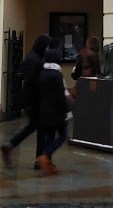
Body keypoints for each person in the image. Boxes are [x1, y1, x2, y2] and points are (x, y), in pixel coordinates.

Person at [0, 33, 50, 170]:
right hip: (35, 100)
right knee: (40, 129)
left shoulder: (31, 56)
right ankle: (39, 159)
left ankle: (10, 146)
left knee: (34, 127)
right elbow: (34, 82)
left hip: (30, 100)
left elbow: (22, 74)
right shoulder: (36, 60)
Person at [35, 45, 72, 175]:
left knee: (50, 136)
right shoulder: (56, 74)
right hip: (56, 111)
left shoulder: (42, 73)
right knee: (62, 136)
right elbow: (60, 94)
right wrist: (67, 110)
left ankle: (48, 164)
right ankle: (45, 156)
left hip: (44, 110)